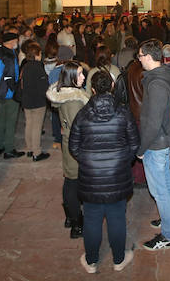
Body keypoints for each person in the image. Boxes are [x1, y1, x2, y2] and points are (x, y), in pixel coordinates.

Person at [70, 70, 140, 273]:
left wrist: (88, 161)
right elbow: (134, 143)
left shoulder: (82, 114)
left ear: (92, 89)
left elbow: (73, 146)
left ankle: (91, 261)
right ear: (111, 87)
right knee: (117, 216)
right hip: (117, 175)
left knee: (92, 218)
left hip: (91, 176)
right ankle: (119, 259)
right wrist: (121, 161)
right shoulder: (123, 112)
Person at [136, 39, 170, 251]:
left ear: (148, 56)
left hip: (157, 143)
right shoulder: (164, 74)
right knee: (167, 182)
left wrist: (142, 149)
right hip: (163, 139)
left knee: (159, 190)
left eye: (140, 56)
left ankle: (169, 235)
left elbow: (152, 122)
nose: (138, 59)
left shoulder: (155, 84)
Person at [47, 61, 89, 239]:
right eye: (79, 74)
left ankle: (70, 217)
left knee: (70, 179)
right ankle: (77, 223)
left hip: (69, 141)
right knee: (74, 182)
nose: (83, 77)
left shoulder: (63, 93)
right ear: (71, 77)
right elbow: (78, 126)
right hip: (77, 144)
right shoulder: (74, 99)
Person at [0, 33, 24, 159]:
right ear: (11, 41)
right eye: (16, 40)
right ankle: (9, 149)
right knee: (10, 121)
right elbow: (11, 74)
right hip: (9, 92)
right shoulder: (9, 55)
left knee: (1, 118)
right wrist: (15, 89)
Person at [19, 42, 51, 162]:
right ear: (36, 54)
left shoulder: (26, 66)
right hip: (37, 101)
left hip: (27, 100)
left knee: (29, 124)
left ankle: (29, 148)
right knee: (37, 126)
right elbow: (43, 86)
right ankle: (36, 152)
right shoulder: (38, 67)